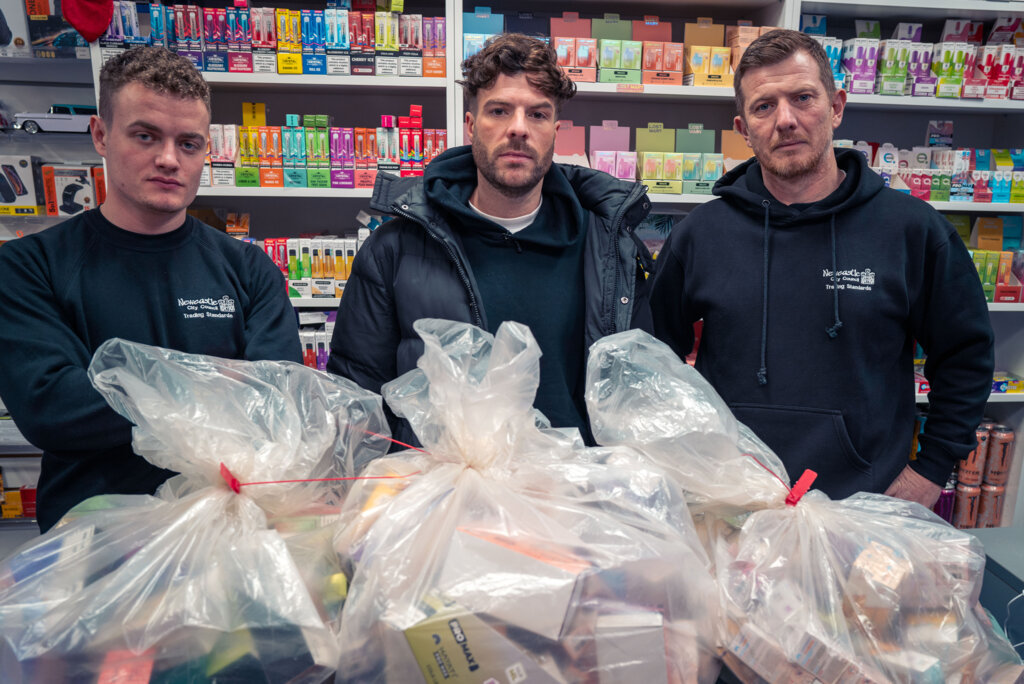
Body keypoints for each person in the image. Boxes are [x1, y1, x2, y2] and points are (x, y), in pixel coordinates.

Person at [649, 29, 994, 506]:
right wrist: (684, 465)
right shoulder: (700, 234)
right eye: (763, 106)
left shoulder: (912, 230)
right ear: (743, 128)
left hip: (865, 507)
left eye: (803, 98)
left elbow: (965, 356)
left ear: (836, 107)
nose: (785, 120)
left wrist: (931, 468)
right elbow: (653, 360)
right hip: (732, 508)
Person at [0, 46, 301, 531]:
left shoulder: (248, 268)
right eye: (145, 136)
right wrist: (221, 381)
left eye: (189, 143)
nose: (168, 159)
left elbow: (275, 401)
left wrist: (134, 392)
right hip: (95, 544)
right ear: (100, 134)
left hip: (229, 536)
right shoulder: (27, 267)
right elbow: (52, 409)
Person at [327, 33, 655, 446]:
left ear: (555, 131)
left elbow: (642, 396)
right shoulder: (396, 249)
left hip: (577, 494)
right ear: (471, 125)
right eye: (499, 111)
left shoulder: (610, 251)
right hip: (448, 495)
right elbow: (358, 404)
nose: (518, 129)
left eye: (537, 115)